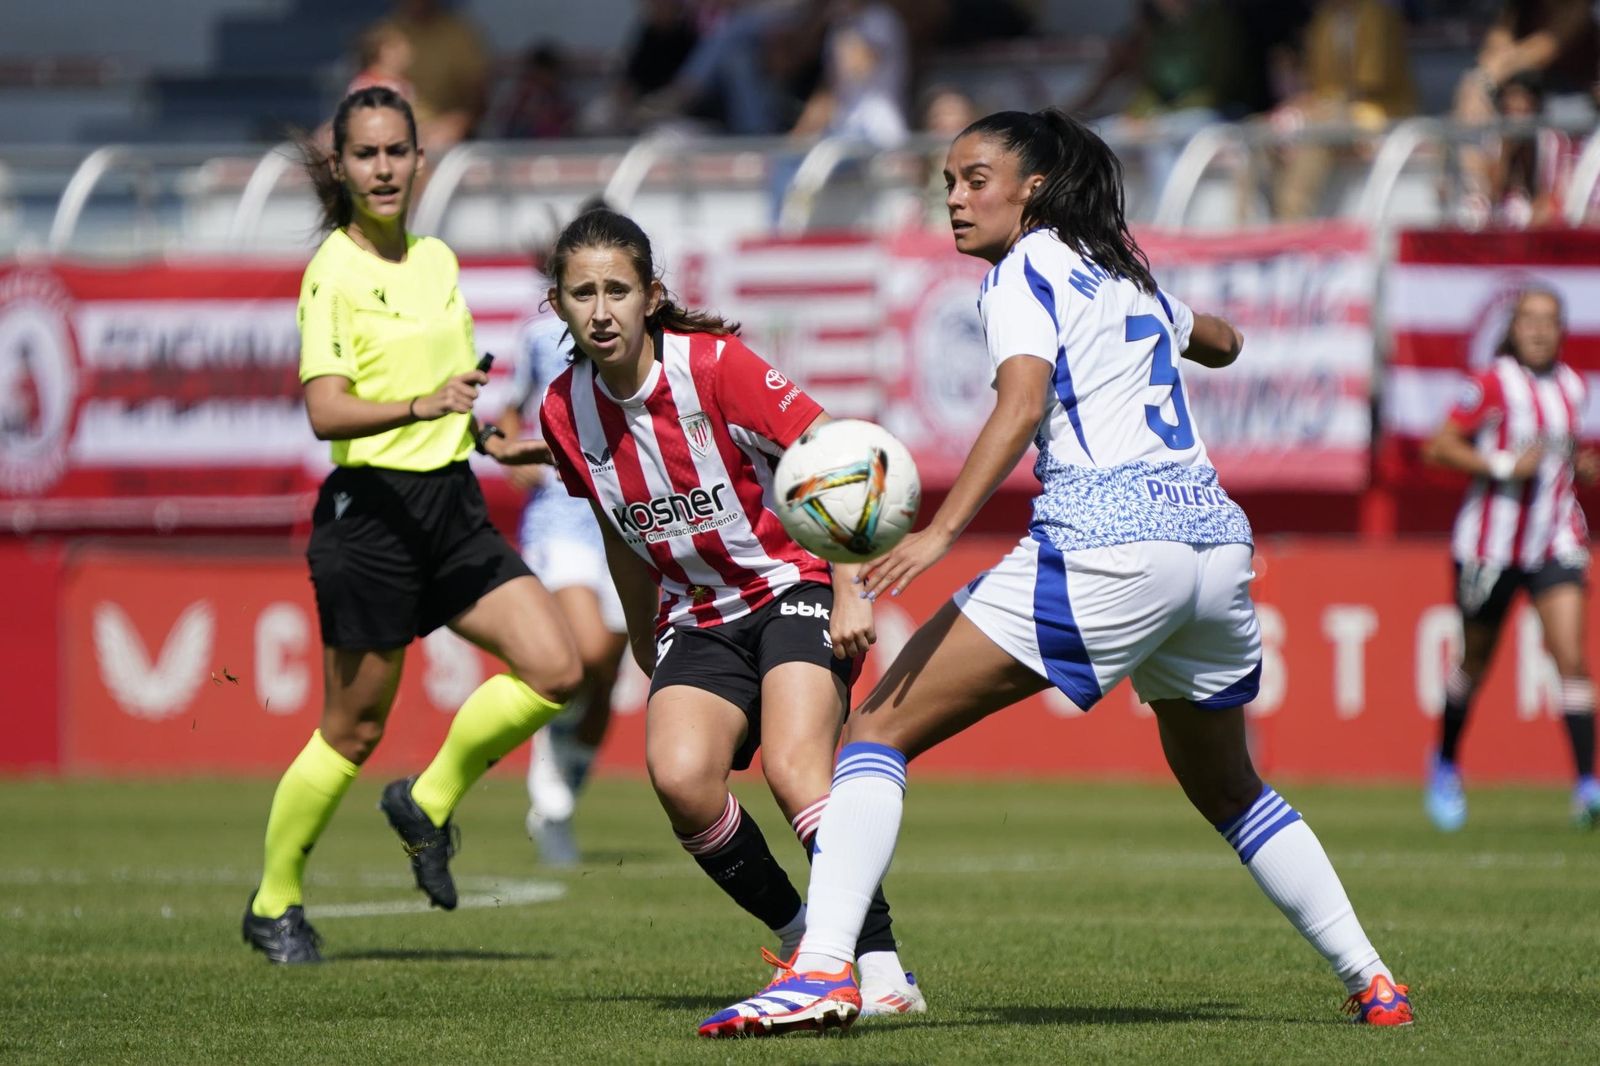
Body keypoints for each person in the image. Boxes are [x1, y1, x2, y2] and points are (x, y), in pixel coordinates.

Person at [702, 108, 1412, 1037]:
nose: (954, 198)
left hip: (1108, 542)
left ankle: (826, 969)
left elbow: (1022, 397)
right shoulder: (1121, 271)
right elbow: (1228, 343)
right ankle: (1375, 982)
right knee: (1230, 787)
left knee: (875, 727)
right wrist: (1180, 324)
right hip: (1211, 545)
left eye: (976, 179)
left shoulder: (1026, 267)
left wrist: (940, 530)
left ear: (1032, 188)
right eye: (948, 181)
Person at [537, 206, 926, 1016]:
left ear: (652, 295)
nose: (601, 310)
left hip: (793, 587)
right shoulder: (561, 412)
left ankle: (883, 966)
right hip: (695, 613)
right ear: (559, 305)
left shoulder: (714, 365)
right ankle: (800, 937)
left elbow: (837, 456)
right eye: (583, 294)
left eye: (618, 289)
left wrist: (852, 587)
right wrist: (645, 635)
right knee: (680, 779)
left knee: (794, 767)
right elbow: (617, 531)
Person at [242, 86, 582, 965]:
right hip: (373, 517)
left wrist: (493, 438)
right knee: (352, 729)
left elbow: (458, 394)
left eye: (398, 152)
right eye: (367, 155)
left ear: (420, 160)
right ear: (341, 167)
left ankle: (427, 802)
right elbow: (325, 411)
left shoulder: (436, 259)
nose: (385, 169)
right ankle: (274, 904)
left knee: (556, 665)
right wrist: (420, 403)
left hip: (452, 503)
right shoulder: (334, 272)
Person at [1422, 287, 1600, 831]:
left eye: (1550, 321)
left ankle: (1586, 787)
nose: (1541, 331)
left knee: (1571, 657)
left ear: (1562, 330)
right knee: (1474, 664)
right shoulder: (1493, 383)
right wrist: (1501, 465)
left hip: (1555, 540)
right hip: (1490, 548)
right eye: (1530, 321)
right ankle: (1446, 764)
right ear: (1514, 328)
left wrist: (1583, 467)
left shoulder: (1573, 386)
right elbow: (1439, 445)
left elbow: (1561, 453)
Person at [499, 305, 629, 866]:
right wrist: (509, 453)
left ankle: (558, 807)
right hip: (561, 516)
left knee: (605, 683)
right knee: (589, 649)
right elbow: (509, 409)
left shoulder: (647, 334)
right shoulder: (537, 336)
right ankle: (549, 788)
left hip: (631, 519)